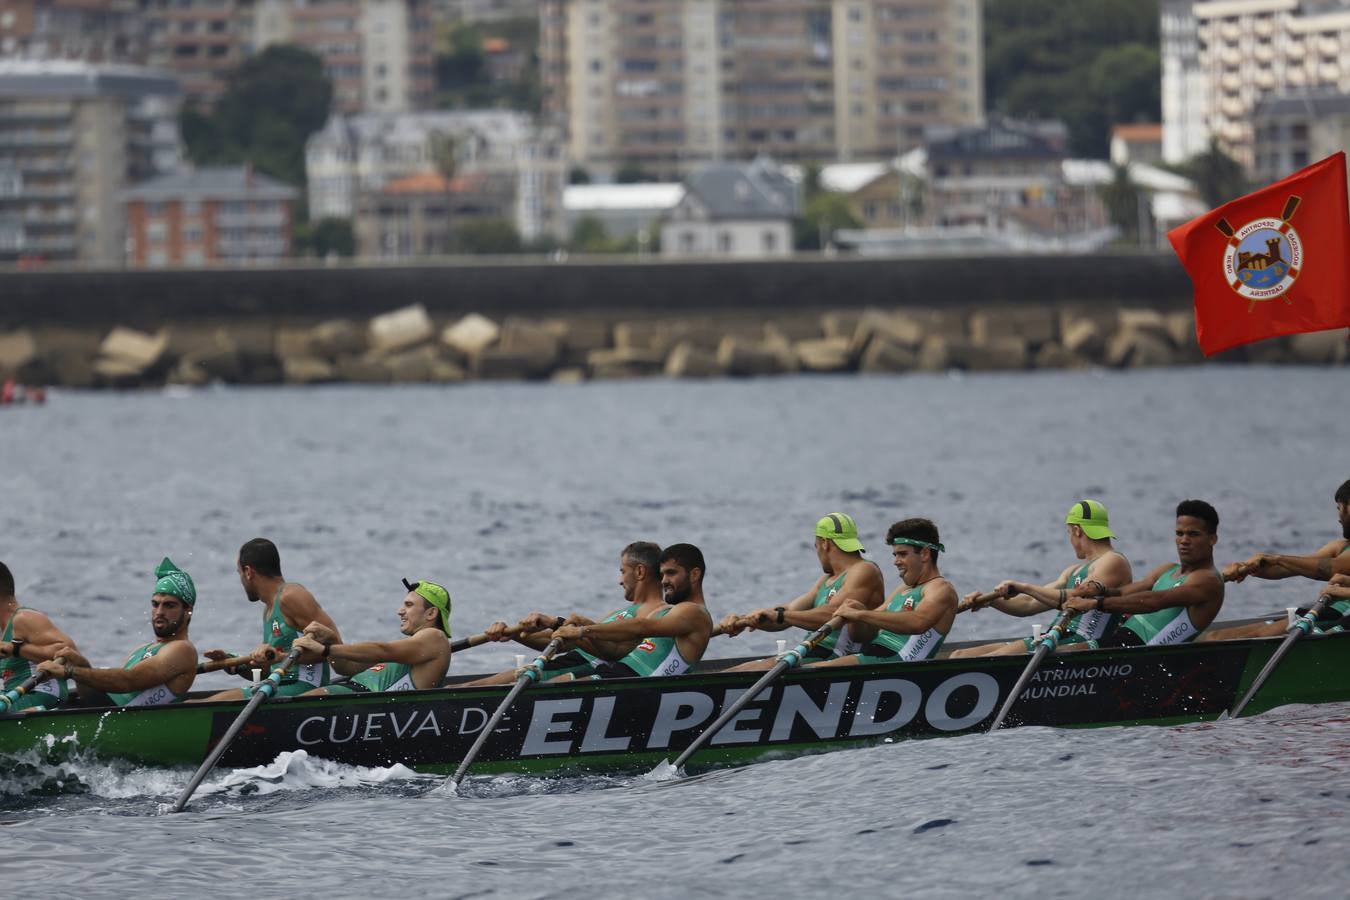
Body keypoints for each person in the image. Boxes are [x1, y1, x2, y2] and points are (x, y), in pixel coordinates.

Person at [461, 541, 667, 687]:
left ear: (640, 572)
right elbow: (567, 643)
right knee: (467, 687)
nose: (620, 581)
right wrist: (515, 634)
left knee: (470, 689)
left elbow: (613, 652)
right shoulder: (620, 612)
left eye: (623, 571)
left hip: (584, 670)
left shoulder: (656, 615)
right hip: (569, 661)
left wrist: (556, 623)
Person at [950, 500, 1134, 656]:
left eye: (1069, 533)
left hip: (1083, 644)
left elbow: (1076, 598)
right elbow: (1029, 603)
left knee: (993, 657)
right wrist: (990, 601)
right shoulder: (1073, 571)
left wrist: (1023, 586)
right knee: (959, 655)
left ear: (1077, 530)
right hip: (1055, 638)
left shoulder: (1113, 561)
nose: (1070, 539)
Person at [719, 513, 885, 671]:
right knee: (740, 670)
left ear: (824, 543)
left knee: (753, 669)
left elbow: (832, 614)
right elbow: (788, 613)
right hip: (815, 651)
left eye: (816, 547)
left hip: (838, 657)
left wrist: (780, 616)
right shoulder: (827, 579)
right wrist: (746, 620)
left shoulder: (864, 570)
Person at [1062, 500, 1225, 648]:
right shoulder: (1167, 569)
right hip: (1122, 640)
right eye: (1179, 533)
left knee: (1064, 652)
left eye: (1193, 534)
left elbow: (1154, 601)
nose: (1184, 540)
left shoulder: (1208, 580)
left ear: (1213, 539)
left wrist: (1094, 604)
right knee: (1057, 649)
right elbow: (1122, 592)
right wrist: (1100, 589)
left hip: (1143, 653)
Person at [37, 558, 198, 707]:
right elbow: (102, 695)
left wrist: (70, 672)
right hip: (103, 714)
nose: (159, 612)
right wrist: (82, 665)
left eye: (169, 605)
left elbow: (128, 681)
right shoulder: (142, 650)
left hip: (120, 721)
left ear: (187, 610)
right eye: (155, 604)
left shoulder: (183, 650)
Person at [1203, 479, 1350, 640]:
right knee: (1214, 636)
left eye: (1340, 509)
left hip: (1337, 616)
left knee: (1234, 637)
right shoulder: (1340, 547)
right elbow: (1289, 568)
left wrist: (1277, 559)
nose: (1339, 517)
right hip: (1324, 611)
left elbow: (1330, 568)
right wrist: (1246, 568)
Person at [201, 538, 342, 701]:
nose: (240, 580)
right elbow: (272, 669)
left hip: (306, 689)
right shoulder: (269, 609)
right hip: (280, 687)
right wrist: (235, 664)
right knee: (197, 703)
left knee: (197, 704)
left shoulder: (291, 596)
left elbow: (334, 647)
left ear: (248, 572)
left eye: (239, 573)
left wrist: (281, 657)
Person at [806, 518, 958, 667]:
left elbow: (918, 622)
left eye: (903, 554)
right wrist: (857, 611)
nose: (896, 561)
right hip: (874, 657)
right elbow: (863, 634)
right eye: (895, 555)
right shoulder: (903, 589)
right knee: (802, 667)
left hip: (898, 665)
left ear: (925, 554)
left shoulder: (941, 588)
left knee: (810, 670)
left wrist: (861, 615)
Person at [549, 543, 714, 680]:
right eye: (662, 574)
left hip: (637, 688)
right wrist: (580, 627)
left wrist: (582, 631)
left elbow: (640, 627)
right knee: (551, 681)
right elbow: (616, 650)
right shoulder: (673, 614)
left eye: (671, 573)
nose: (664, 581)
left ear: (694, 574)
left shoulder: (694, 612)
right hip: (617, 676)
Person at [295, 579, 452, 694]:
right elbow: (346, 668)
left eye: (409, 605)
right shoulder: (412, 649)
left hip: (364, 698)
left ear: (431, 613)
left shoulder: (435, 638)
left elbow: (383, 650)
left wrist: (326, 649)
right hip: (355, 693)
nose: (400, 611)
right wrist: (332, 641)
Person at [0, 560, 82, 712]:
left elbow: (70, 653)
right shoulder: (4, 630)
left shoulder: (24, 618)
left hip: (41, 695)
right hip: (14, 697)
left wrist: (17, 649)